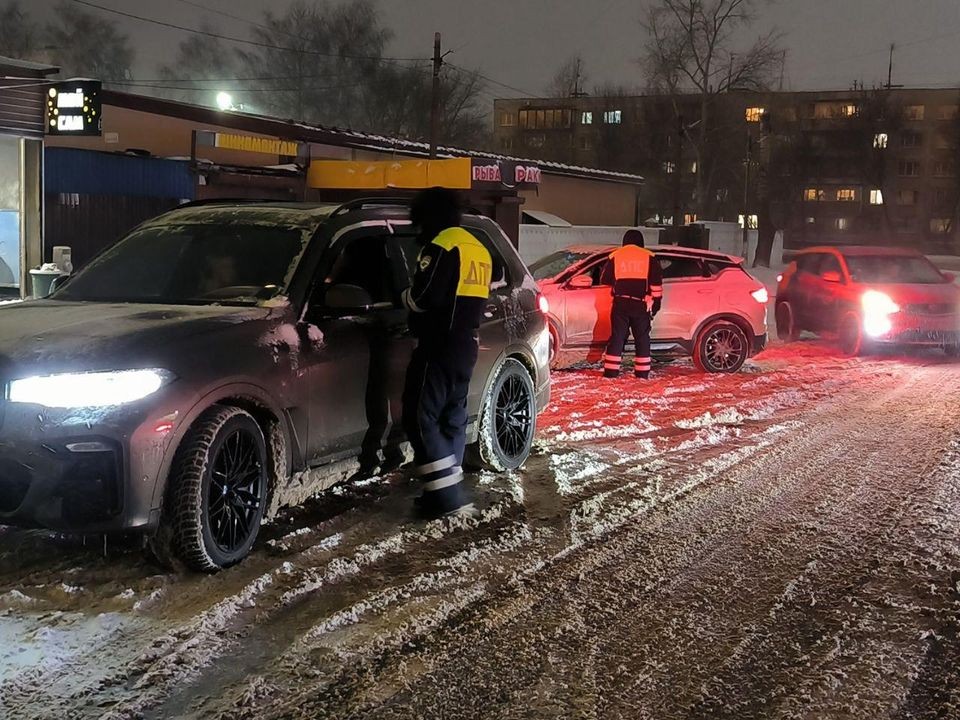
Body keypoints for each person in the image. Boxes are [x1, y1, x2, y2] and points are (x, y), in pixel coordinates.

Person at [400, 187, 492, 517]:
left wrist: (404, 298)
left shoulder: (442, 245)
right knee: (451, 418)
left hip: (438, 344)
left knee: (419, 417)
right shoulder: (477, 247)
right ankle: (443, 491)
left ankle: (447, 498)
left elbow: (425, 297)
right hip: (466, 344)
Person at [601, 229, 663, 379]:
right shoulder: (649, 257)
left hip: (620, 303)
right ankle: (642, 373)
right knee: (642, 338)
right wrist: (656, 305)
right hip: (640, 304)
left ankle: (611, 372)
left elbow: (605, 279)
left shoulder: (615, 256)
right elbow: (656, 284)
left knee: (617, 337)